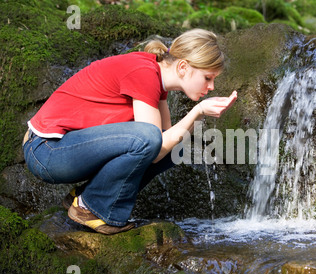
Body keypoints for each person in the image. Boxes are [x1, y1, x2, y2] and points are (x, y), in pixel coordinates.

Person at [22, 29, 237, 235]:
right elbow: (155, 145)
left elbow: (168, 142)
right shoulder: (144, 73)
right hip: (45, 149)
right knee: (150, 138)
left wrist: (197, 115)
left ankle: (83, 197)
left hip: (64, 151)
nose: (211, 86)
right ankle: (90, 207)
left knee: (176, 147)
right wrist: (198, 111)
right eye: (208, 78)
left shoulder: (157, 79)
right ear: (183, 67)